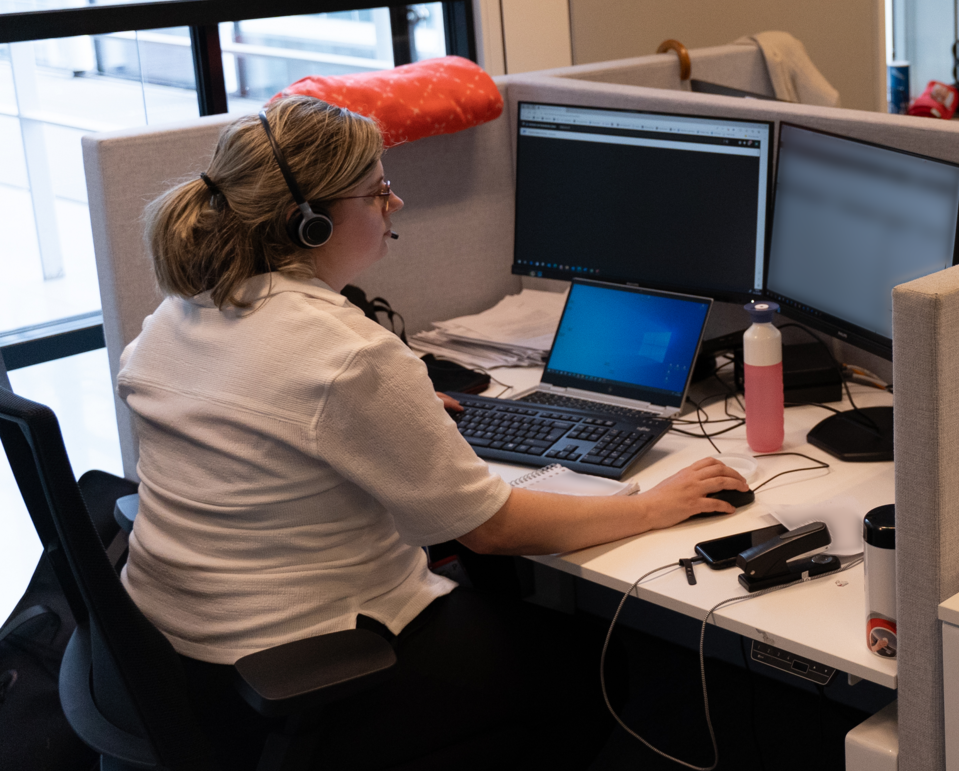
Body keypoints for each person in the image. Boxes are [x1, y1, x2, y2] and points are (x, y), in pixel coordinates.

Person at [117, 93, 749, 769]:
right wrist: (653, 506)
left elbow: (271, 419)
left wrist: (400, 412)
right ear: (311, 224)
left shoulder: (175, 315)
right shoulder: (348, 354)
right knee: (591, 667)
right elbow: (493, 530)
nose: (396, 203)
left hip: (172, 661)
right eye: (377, 192)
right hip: (310, 668)